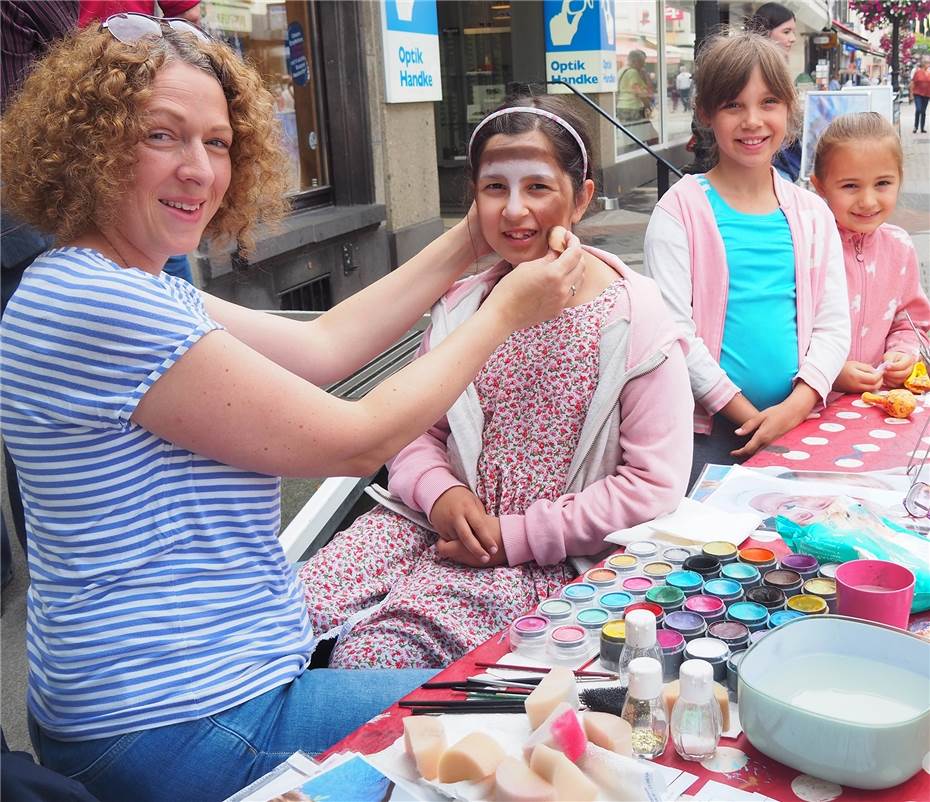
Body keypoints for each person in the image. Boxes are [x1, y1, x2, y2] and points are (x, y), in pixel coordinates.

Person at [0, 19, 584, 802]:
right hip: (182, 721)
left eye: (217, 142)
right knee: (530, 720)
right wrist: (505, 312)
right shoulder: (103, 303)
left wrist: (469, 242)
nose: (197, 170)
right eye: (161, 136)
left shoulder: (111, 280)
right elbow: (358, 439)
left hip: (159, 701)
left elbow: (324, 347)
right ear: (90, 142)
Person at [298, 95, 694, 669]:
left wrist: (516, 537)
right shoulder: (463, 306)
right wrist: (441, 492)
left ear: (582, 197)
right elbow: (416, 430)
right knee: (283, 609)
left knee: (377, 655)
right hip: (426, 522)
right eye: (493, 188)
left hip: (544, 559)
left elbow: (652, 486)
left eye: (538, 187)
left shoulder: (635, 319)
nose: (513, 210)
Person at [643, 31, 849, 489]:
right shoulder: (679, 211)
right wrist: (748, 415)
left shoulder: (813, 214)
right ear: (705, 113)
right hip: (708, 436)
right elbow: (675, 331)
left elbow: (834, 325)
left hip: (800, 424)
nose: (752, 120)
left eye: (769, 102)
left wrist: (797, 405)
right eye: (733, 104)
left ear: (789, 109)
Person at [810, 112, 930, 394]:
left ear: (900, 179)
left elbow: (911, 323)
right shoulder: (810, 246)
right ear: (820, 186)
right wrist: (830, 371)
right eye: (850, 186)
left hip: (877, 404)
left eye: (883, 184)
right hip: (814, 404)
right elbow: (787, 332)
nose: (868, 201)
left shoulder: (899, 246)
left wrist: (904, 353)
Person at [616, 50, 656, 143]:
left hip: (622, 107)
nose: (643, 65)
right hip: (632, 108)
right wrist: (648, 105)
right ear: (635, 61)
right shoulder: (632, 72)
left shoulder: (622, 70)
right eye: (642, 62)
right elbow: (639, 92)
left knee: (631, 138)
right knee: (643, 138)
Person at [910, 55, 930, 134]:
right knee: (918, 109)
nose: (928, 65)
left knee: (923, 111)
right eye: (927, 63)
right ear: (923, 64)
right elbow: (912, 83)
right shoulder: (917, 72)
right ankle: (915, 126)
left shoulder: (929, 73)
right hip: (918, 93)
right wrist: (911, 94)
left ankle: (922, 128)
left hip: (927, 94)